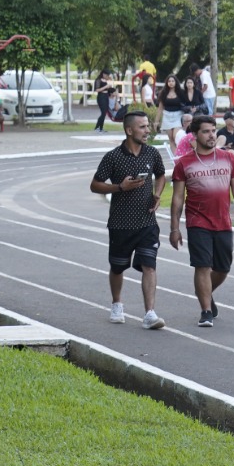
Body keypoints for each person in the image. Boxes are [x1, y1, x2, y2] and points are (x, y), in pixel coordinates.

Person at [169, 115, 234, 328]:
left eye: (213, 131)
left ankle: (204, 291)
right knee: (202, 265)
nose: (211, 135)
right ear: (195, 135)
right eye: (206, 131)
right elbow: (178, 198)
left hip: (223, 221)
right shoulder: (184, 163)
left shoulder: (228, 158)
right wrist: (174, 229)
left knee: (223, 267)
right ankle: (206, 310)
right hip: (197, 221)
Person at [90, 110, 168, 329]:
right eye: (142, 127)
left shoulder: (152, 153)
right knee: (117, 267)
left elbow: (161, 174)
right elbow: (95, 184)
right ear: (129, 130)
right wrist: (119, 187)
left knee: (149, 266)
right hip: (121, 224)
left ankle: (150, 313)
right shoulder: (113, 157)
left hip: (147, 223)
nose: (147, 130)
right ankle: (117, 304)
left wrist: (157, 194)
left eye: (148, 126)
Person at [157, 75, 187, 151]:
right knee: (171, 139)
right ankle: (175, 159)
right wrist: (156, 121)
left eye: (172, 81)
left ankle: (180, 153)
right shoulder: (163, 93)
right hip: (167, 116)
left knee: (176, 136)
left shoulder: (181, 92)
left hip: (178, 115)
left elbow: (187, 104)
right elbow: (160, 108)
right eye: (169, 81)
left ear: (176, 82)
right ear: (167, 83)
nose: (171, 83)